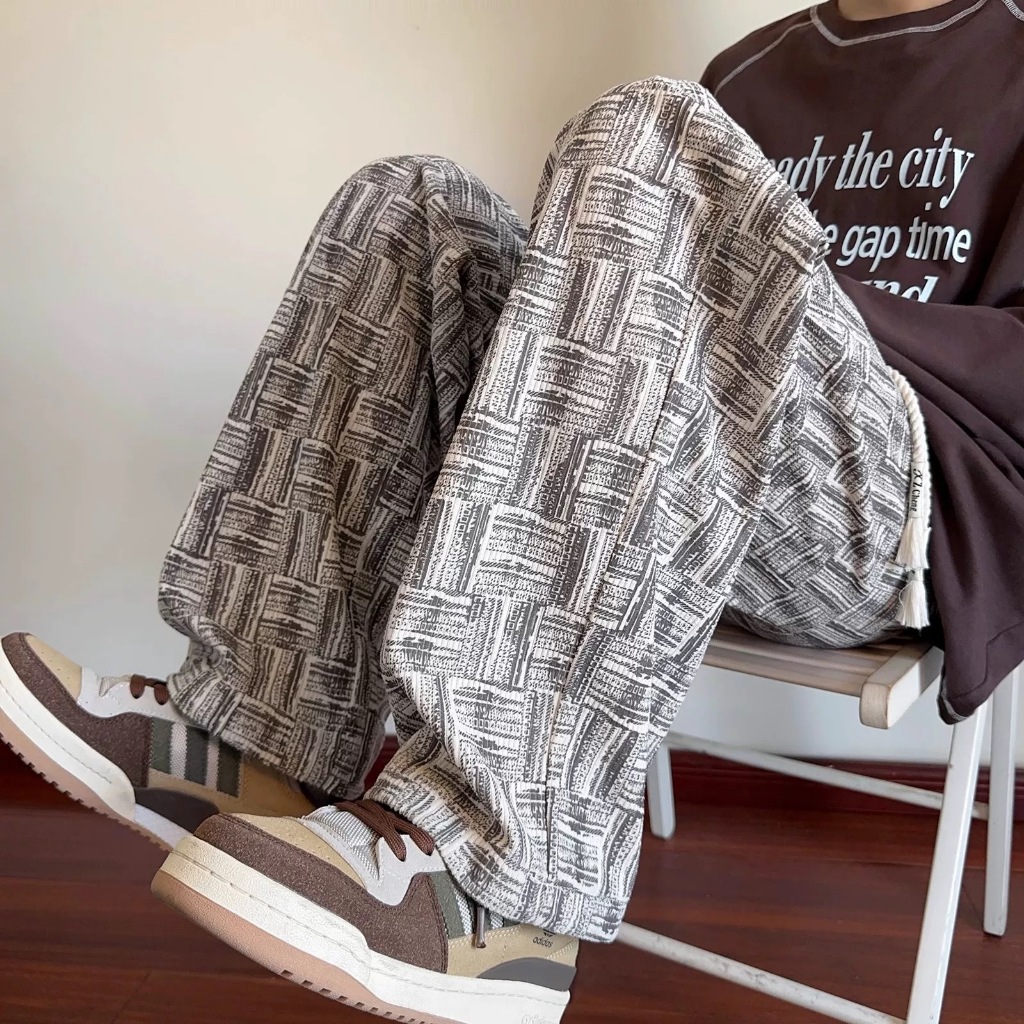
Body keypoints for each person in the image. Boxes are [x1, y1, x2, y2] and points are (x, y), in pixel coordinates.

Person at [2, 0, 1022, 1021]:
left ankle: (501, 876)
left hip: (895, 510)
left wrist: (781, 294)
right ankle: (256, 734)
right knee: (413, 205)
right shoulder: (754, 69)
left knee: (651, 131)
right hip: (680, 498)